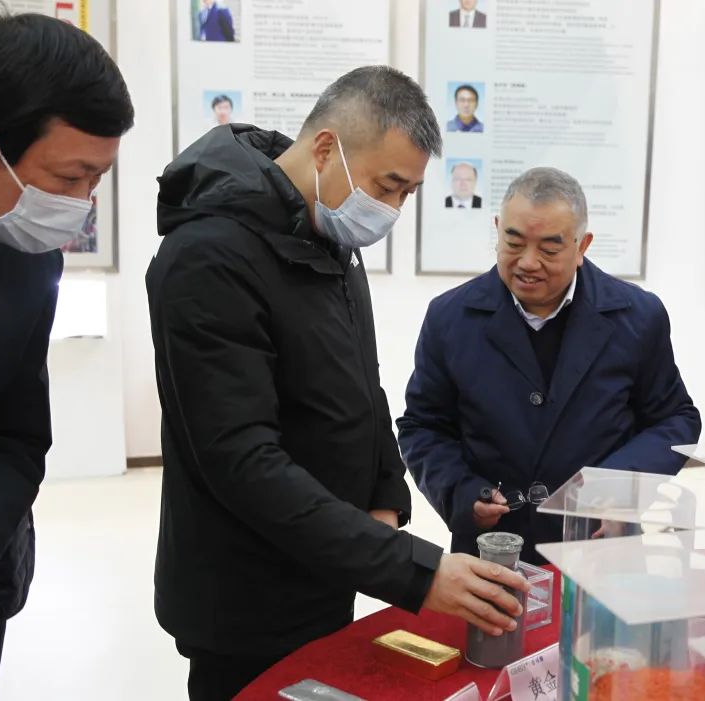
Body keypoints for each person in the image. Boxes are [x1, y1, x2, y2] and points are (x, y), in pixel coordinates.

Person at [146, 66, 528, 701]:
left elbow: (362, 386)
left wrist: (384, 496)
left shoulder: (326, 236)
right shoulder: (209, 256)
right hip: (244, 593)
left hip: (329, 561)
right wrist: (413, 570)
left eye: (408, 193)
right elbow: (242, 460)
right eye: (387, 186)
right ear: (326, 148)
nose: (392, 209)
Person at [398, 167, 702, 562]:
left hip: (601, 545)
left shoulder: (637, 316)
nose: (528, 262)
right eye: (513, 243)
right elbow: (423, 426)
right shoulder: (451, 318)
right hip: (494, 551)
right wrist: (461, 491)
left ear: (582, 246)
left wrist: (617, 484)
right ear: (497, 230)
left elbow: (675, 419)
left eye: (549, 249)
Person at [0, 10, 134, 700]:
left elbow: (15, 434)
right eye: (69, 177)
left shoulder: (28, 258)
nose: (80, 203)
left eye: (96, 179)